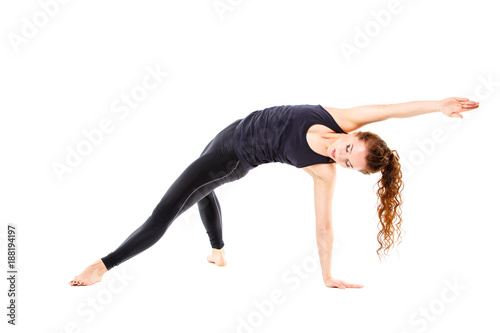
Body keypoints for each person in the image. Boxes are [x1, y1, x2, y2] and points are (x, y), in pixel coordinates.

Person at [69, 97, 479, 289]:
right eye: (350, 149)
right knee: (198, 194)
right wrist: (437, 105)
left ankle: (104, 267)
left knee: (166, 211)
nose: (342, 155)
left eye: (349, 163)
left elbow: (324, 229)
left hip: (231, 160)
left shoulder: (323, 173)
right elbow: (393, 108)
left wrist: (327, 276)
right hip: (226, 134)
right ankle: (217, 251)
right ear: (355, 135)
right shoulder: (342, 118)